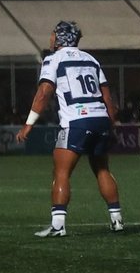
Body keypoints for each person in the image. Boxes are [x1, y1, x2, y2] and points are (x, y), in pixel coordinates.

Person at [16, 21, 125, 237]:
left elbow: (44, 93)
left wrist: (28, 124)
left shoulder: (53, 59)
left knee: (61, 171)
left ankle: (58, 226)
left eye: (53, 35)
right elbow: (107, 98)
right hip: (100, 119)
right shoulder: (92, 60)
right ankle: (117, 220)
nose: (50, 38)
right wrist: (111, 124)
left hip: (77, 121)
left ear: (60, 38)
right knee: (102, 170)